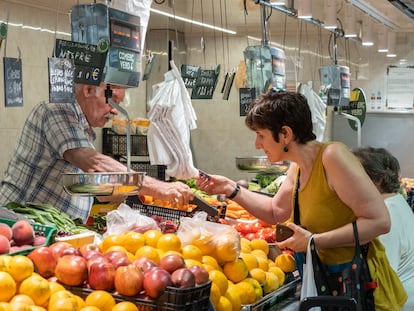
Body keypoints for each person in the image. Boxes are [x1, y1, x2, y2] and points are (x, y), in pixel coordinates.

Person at [196, 90, 407, 310]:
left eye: (261, 135)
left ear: (285, 134)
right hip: (330, 287)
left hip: (362, 290)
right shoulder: (297, 167)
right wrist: (230, 188)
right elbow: (275, 211)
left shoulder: (332, 157)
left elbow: (380, 221)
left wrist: (314, 241)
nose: (257, 144)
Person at [0, 82, 193, 223]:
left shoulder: (82, 129)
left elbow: (78, 185)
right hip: (19, 228)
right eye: (113, 100)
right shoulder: (55, 110)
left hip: (54, 232)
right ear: (89, 90)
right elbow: (94, 164)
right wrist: (156, 187)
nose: (115, 111)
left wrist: (129, 196)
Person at [352, 146, 414, 311]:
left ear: (378, 179)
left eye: (355, 175)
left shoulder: (387, 214)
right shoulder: (396, 203)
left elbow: (381, 277)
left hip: (397, 304)